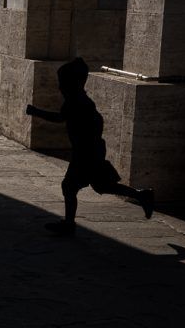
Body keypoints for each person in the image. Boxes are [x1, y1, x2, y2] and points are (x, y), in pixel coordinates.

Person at [26, 57, 154, 237]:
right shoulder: (79, 100)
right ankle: (142, 195)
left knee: (70, 186)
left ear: (75, 83)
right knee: (102, 186)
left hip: (86, 153)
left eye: (63, 83)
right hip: (89, 151)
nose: (60, 87)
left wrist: (35, 111)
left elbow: (60, 118)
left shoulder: (77, 102)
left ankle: (69, 224)